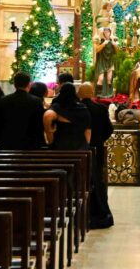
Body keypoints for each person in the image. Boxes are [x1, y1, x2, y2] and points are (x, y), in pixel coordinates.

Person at [78, 83, 114, 229]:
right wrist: (99, 140)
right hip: (96, 149)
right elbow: (109, 129)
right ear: (92, 93)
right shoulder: (100, 108)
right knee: (97, 179)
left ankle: (82, 212)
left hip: (79, 150)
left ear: (79, 94)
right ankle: (98, 209)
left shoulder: (76, 108)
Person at [0, 72, 47, 150]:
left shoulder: (3, 100)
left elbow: (0, 122)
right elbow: (39, 124)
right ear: (29, 84)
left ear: (14, 84)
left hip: (9, 142)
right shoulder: (36, 101)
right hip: (30, 143)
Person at [44, 83, 91, 150]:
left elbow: (47, 116)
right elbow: (88, 130)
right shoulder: (83, 108)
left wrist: (51, 141)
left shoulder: (57, 107)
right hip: (79, 147)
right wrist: (86, 147)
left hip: (60, 147)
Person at [93, 27, 118, 98]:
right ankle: (99, 94)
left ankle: (109, 94)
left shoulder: (112, 41)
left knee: (109, 79)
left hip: (110, 61)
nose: (106, 33)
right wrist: (104, 43)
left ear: (110, 33)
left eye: (108, 32)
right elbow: (97, 50)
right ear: (103, 33)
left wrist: (114, 44)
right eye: (105, 32)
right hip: (102, 61)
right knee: (100, 79)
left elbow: (117, 51)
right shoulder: (100, 41)